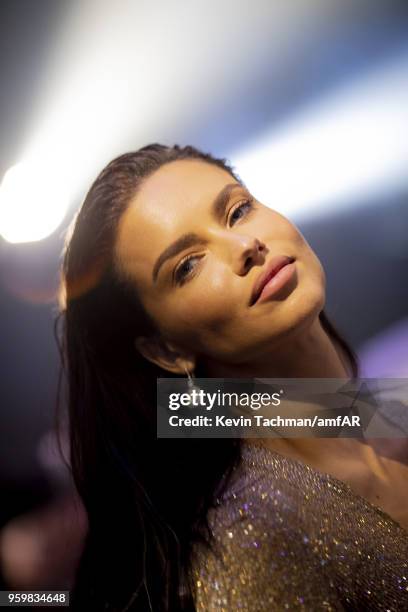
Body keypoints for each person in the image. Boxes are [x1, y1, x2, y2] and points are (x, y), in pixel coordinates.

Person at [55, 144, 408, 611]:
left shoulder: (388, 412)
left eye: (238, 211)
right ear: (165, 348)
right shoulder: (252, 538)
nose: (245, 246)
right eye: (188, 265)